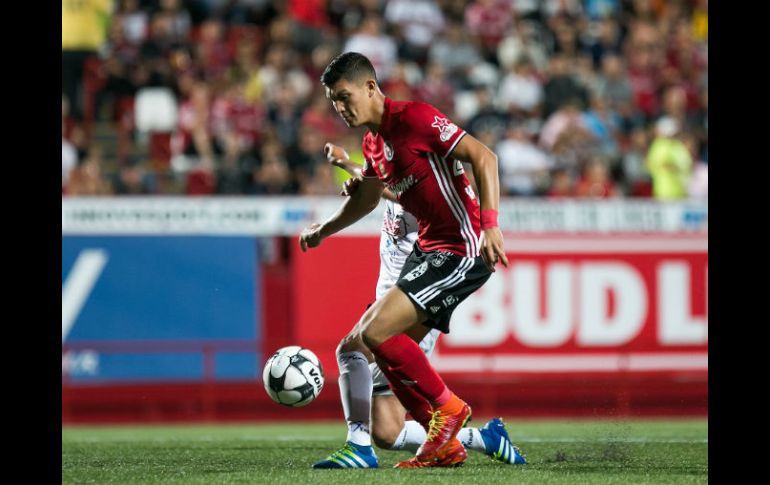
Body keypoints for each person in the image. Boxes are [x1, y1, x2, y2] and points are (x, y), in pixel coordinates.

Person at [299, 52, 510, 468]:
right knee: (366, 342)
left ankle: (447, 412)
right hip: (428, 252)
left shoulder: (417, 118)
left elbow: (484, 156)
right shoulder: (373, 144)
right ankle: (446, 440)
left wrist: (490, 225)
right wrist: (323, 231)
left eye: (345, 96)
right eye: (333, 102)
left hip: (461, 247)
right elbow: (368, 199)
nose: (341, 108)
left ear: (371, 88)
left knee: (372, 337)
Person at [311, 144, 527, 469]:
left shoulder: (430, 192)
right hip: (391, 301)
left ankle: (358, 448)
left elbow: (401, 196)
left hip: (413, 303)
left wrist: (355, 173)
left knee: (351, 348)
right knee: (387, 431)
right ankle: (484, 439)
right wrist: (354, 169)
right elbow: (382, 184)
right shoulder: (404, 177)